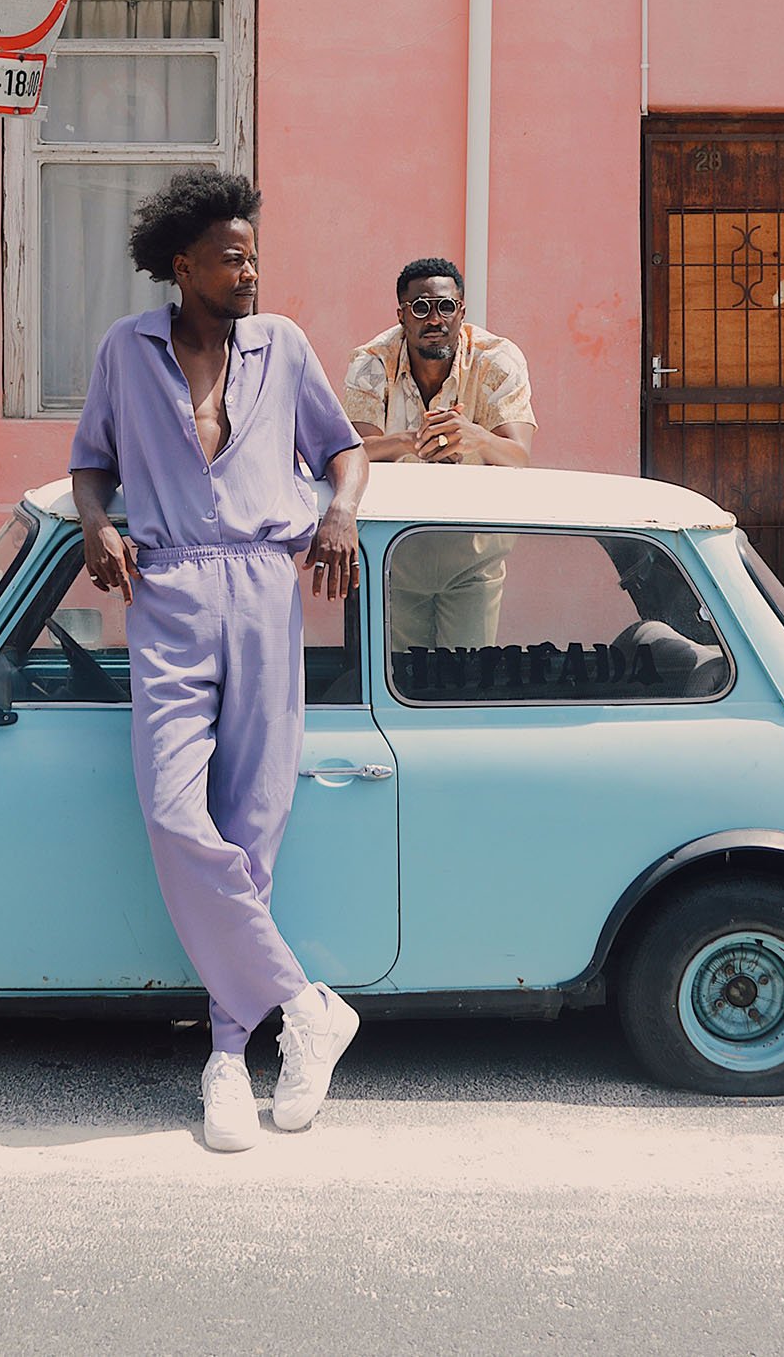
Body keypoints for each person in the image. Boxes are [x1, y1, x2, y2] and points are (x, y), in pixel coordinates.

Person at [70, 167, 368, 1153]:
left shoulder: (282, 347)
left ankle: (230, 1058)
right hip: (166, 591)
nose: (250, 271)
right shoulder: (126, 350)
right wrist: (94, 524)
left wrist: (339, 512)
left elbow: (343, 449)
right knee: (171, 809)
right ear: (183, 264)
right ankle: (305, 1006)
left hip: (266, 588)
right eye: (232, 256)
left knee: (254, 826)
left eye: (254, 255)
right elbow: (90, 461)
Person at [343, 259, 537, 651]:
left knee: (464, 682)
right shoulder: (371, 363)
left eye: (446, 307)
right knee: (399, 677)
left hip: (473, 554)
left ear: (461, 311)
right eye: (420, 308)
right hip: (393, 555)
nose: (435, 319)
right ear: (401, 315)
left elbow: (519, 457)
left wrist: (475, 439)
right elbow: (353, 453)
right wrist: (410, 442)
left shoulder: (497, 360)